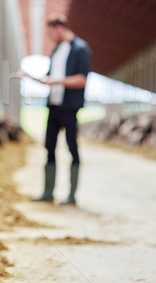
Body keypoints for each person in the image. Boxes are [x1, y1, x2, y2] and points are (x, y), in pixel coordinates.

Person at [32, 14, 91, 205]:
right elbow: (49, 77)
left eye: (51, 33)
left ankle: (71, 195)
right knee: (49, 146)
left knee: (71, 147)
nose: (50, 37)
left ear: (59, 29)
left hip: (69, 107)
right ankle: (48, 191)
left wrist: (57, 81)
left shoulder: (80, 49)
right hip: (53, 106)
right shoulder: (57, 50)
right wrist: (30, 76)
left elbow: (82, 79)